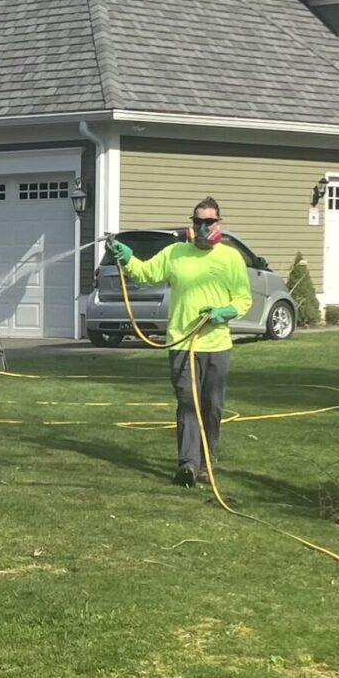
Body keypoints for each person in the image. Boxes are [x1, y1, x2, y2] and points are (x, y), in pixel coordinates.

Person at [107, 198, 252, 488]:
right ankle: (187, 465)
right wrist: (126, 256)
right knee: (188, 403)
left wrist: (223, 313)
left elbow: (243, 299)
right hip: (182, 344)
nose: (201, 227)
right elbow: (147, 273)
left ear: (218, 223)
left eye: (208, 222)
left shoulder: (231, 258)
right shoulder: (175, 253)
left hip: (217, 345)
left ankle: (207, 464)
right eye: (197, 221)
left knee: (212, 406)